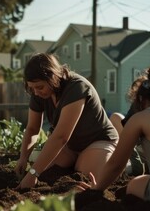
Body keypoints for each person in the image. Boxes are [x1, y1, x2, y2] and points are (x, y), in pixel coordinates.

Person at [82, 63, 150, 206]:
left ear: (140, 99)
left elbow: (116, 164)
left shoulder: (141, 117)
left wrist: (96, 189)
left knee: (135, 184)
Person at [15, 53, 119, 189]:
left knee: (85, 176)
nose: (35, 92)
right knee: (46, 169)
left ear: (53, 77)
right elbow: (32, 129)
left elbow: (61, 137)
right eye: (31, 88)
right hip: (70, 146)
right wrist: (23, 157)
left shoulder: (76, 87)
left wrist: (33, 174)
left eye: (39, 87)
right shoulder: (39, 92)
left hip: (98, 140)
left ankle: (125, 162)